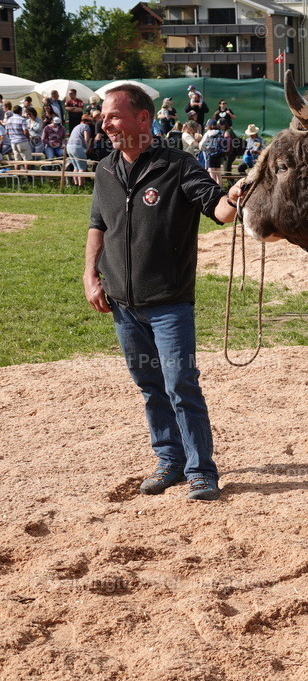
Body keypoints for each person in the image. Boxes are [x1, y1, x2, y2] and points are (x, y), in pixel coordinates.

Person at [82, 83, 243, 502]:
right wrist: (90, 276)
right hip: (122, 304)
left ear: (142, 118)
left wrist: (235, 197)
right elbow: (98, 225)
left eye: (113, 115)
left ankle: (201, 471)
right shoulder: (104, 169)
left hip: (170, 304)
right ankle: (169, 461)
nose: (105, 122)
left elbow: (217, 210)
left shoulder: (179, 165)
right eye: (104, 116)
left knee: (180, 385)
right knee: (150, 386)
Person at [66, 112, 93, 186]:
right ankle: (81, 185)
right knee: (82, 167)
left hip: (69, 147)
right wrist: (87, 148)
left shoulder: (77, 126)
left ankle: (76, 184)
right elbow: (86, 139)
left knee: (75, 166)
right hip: (77, 147)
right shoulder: (85, 127)